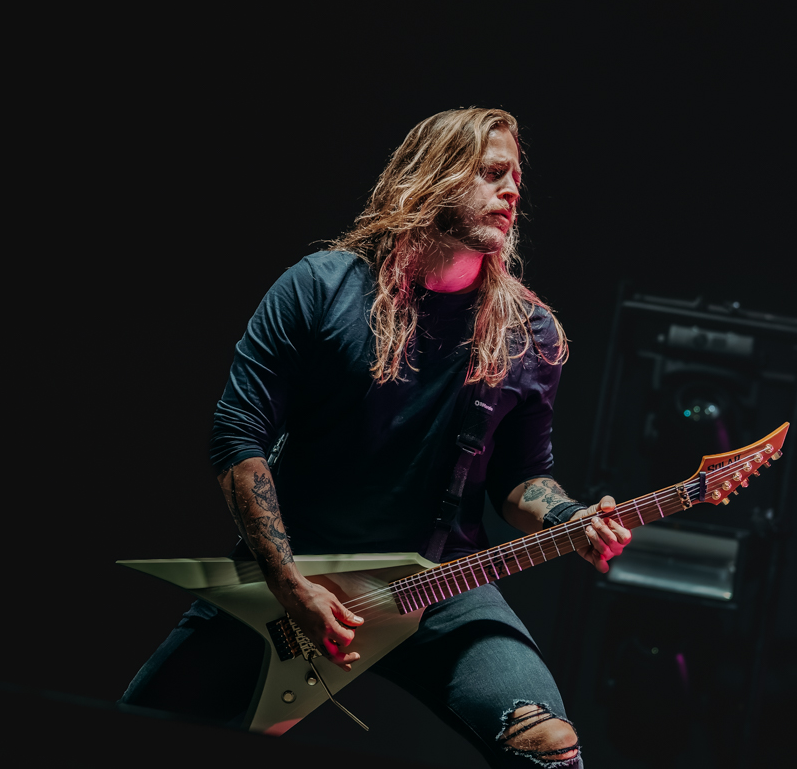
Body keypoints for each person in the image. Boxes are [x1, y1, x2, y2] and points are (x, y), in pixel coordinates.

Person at [121, 108, 631, 768]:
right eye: (492, 172)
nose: (512, 191)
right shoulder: (320, 288)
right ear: (433, 174)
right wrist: (289, 584)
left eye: (516, 179)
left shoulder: (528, 333)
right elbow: (238, 436)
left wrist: (570, 518)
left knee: (549, 752)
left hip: (441, 587)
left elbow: (519, 478)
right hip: (295, 577)